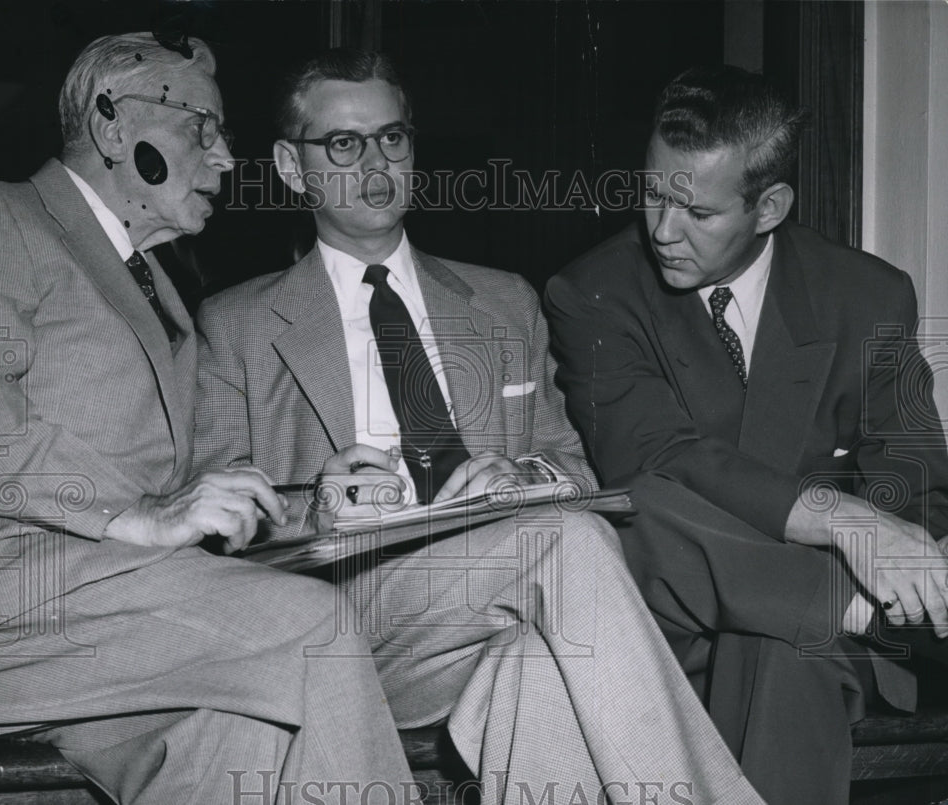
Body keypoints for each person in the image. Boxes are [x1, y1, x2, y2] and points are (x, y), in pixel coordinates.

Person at [194, 48, 766, 805]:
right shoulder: (234, 326)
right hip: (342, 630)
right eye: (344, 143)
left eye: (392, 137)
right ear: (292, 168)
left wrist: (520, 480)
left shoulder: (503, 301)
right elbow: (214, 537)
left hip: (498, 613)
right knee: (568, 544)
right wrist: (314, 510)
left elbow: (574, 468)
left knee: (541, 668)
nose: (376, 162)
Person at [0, 33, 414, 805]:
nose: (226, 158)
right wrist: (131, 515)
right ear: (112, 126)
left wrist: (308, 502)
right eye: (202, 127)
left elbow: (181, 489)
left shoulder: (158, 290)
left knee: (251, 730)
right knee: (310, 625)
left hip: (105, 623)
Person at [545, 64, 948, 804]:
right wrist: (839, 520)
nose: (662, 231)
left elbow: (917, 490)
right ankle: (834, 602)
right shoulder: (594, 292)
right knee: (638, 503)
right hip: (680, 628)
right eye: (653, 194)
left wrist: (903, 557)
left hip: (845, 647)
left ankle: (828, 609)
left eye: (697, 212)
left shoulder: (866, 295)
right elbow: (658, 461)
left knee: (781, 647)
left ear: (769, 208)